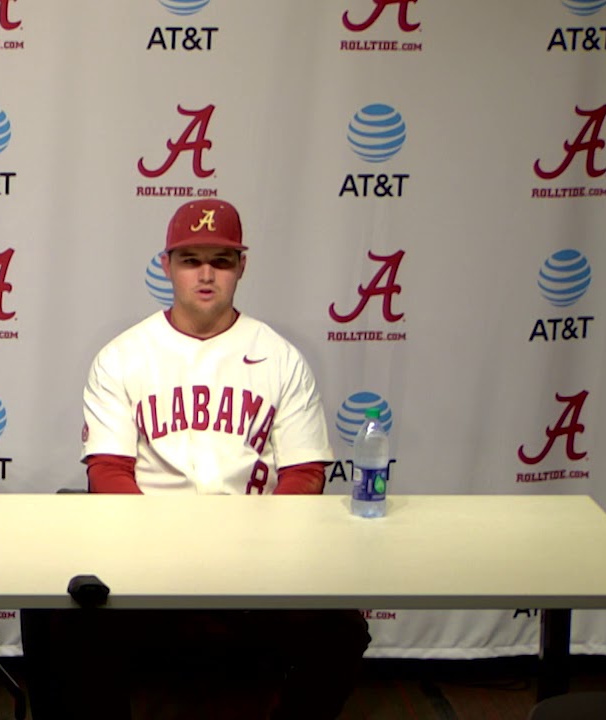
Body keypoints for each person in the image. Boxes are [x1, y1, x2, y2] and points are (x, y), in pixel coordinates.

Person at [35, 200, 370, 719]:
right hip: (144, 556)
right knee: (68, 622)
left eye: (222, 259)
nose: (207, 273)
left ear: (242, 265)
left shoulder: (280, 357)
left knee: (342, 628)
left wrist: (264, 551)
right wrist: (158, 550)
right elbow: (108, 471)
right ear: (167, 265)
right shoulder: (124, 355)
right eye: (191, 259)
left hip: (258, 556)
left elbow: (305, 474)